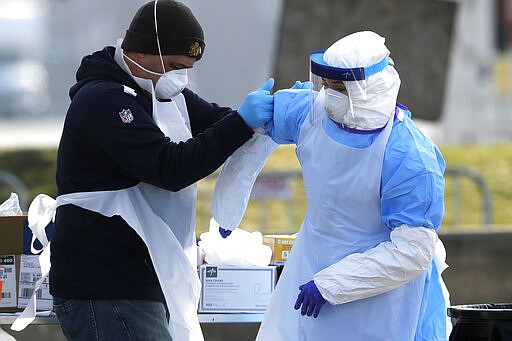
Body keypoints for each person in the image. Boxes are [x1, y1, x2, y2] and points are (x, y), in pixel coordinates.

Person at [49, 1, 274, 340]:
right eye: (175, 65)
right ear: (141, 53)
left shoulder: (161, 92)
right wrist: (242, 122)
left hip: (142, 278)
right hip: (104, 286)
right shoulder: (105, 101)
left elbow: (217, 122)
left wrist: (276, 117)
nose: (181, 77)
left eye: (188, 67)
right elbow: (170, 168)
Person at [255, 31, 451, 340]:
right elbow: (249, 130)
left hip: (383, 302)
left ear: (370, 88)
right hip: (310, 281)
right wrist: (227, 208)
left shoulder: (409, 157)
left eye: (340, 88)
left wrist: (333, 284)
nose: (329, 95)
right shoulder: (313, 114)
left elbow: (412, 252)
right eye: (327, 86)